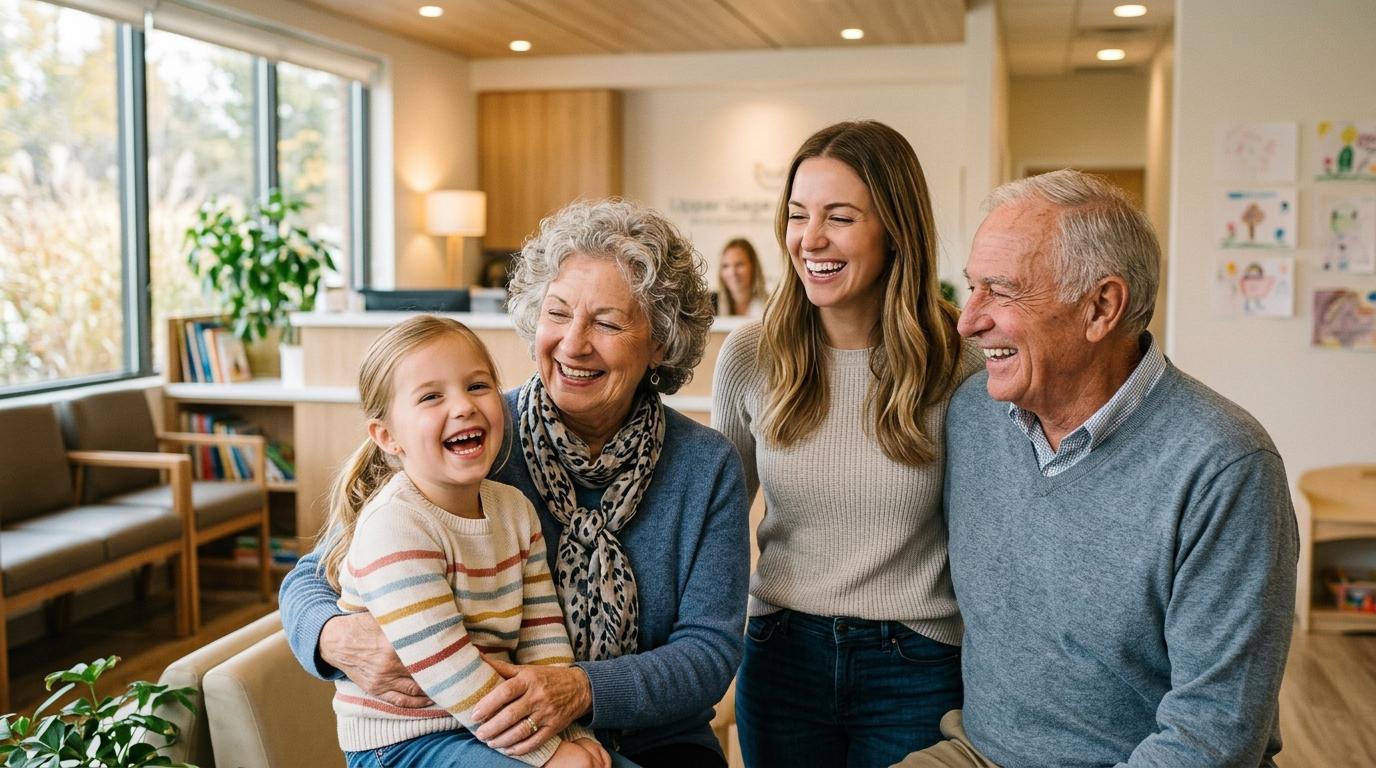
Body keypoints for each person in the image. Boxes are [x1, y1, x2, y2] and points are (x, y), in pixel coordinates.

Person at [280, 199, 750, 768]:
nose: (574, 344)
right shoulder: (465, 437)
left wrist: (580, 689)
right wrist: (336, 638)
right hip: (475, 736)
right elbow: (316, 573)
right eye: (557, 313)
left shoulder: (704, 465)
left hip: (658, 737)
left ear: (660, 342)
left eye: (606, 322)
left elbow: (708, 652)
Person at [896, 170, 1298, 768]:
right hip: (980, 753)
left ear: (1101, 307)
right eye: (972, 287)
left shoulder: (1225, 465)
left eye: (1001, 292)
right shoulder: (974, 415)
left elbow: (1214, 733)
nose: (968, 321)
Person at [712, 120, 981, 767]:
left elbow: (993, 546)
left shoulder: (960, 366)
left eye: (840, 217)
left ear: (895, 228)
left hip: (916, 664)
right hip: (781, 656)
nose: (811, 239)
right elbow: (712, 529)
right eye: (799, 215)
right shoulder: (751, 355)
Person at [318, 315, 606, 768]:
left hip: (488, 726)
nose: (463, 407)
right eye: (431, 396)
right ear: (387, 437)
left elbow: (542, 637)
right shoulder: (395, 524)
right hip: (404, 742)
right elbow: (448, 667)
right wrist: (549, 752)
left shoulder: (514, 509)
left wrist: (568, 728)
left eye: (477, 386)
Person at [717, 238, 766, 316]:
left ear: (753, 267)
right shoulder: (710, 306)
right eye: (725, 266)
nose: (732, 272)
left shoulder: (769, 306)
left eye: (739, 264)